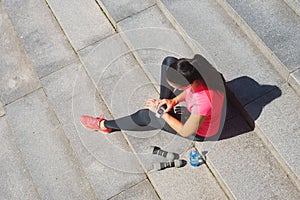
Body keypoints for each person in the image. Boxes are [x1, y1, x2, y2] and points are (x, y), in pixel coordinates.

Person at [80, 55, 226, 141]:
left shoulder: (203, 103)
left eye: (176, 86)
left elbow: (185, 131)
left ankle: (104, 125)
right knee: (169, 61)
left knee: (145, 115)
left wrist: (161, 114)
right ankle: (162, 105)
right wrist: (173, 100)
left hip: (200, 132)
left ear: (188, 84)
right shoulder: (202, 71)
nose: (174, 88)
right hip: (199, 107)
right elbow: (189, 92)